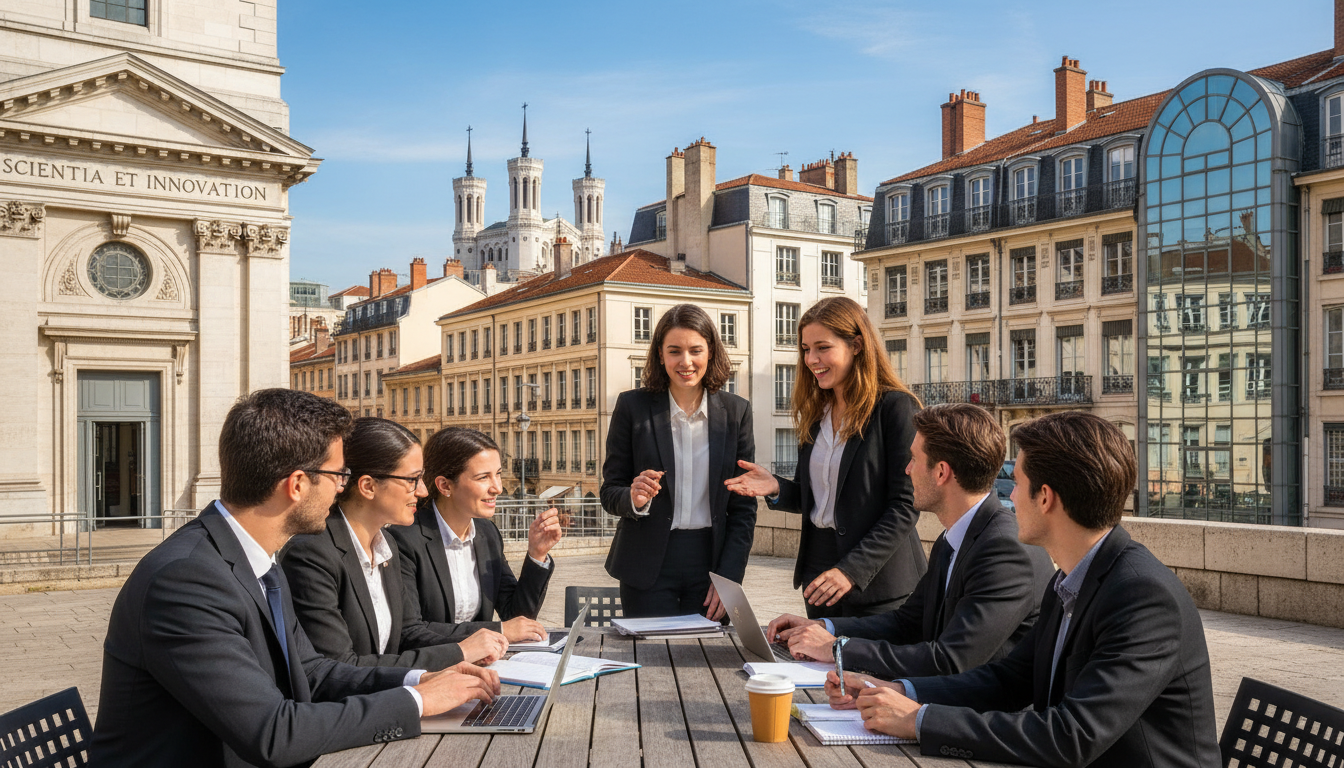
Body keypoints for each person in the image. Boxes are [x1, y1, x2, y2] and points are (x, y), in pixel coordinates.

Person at [91, 389, 500, 768]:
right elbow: (272, 733)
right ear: (298, 484)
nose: (343, 488)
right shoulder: (186, 581)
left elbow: (315, 672)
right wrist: (415, 702)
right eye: (339, 476)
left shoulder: (253, 557)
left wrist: (421, 680)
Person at [827, 412, 1221, 768]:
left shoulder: (1142, 597)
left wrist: (918, 720)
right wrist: (898, 689)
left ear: (1046, 498)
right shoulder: (1071, 577)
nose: (1009, 497)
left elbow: (1071, 736)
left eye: (1017, 484)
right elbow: (1009, 679)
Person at [767, 403, 1054, 678]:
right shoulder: (954, 536)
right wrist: (822, 626)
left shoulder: (1003, 549)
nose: (907, 469)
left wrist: (836, 649)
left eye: (914, 459)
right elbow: (906, 622)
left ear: (941, 472)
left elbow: (950, 660)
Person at [726, 296, 925, 619]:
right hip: (818, 574)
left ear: (857, 345)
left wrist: (851, 570)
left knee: (870, 670)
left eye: (822, 347)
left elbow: (905, 505)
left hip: (880, 584)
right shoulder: (816, 414)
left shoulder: (895, 408)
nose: (811, 359)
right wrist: (776, 487)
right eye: (805, 349)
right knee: (820, 669)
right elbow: (820, 500)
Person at [282, 418, 510, 671]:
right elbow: (339, 666)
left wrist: (471, 651)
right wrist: (459, 653)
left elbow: (408, 632)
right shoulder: (312, 554)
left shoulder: (385, 543)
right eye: (413, 480)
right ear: (368, 486)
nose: (423, 491)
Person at [600, 303, 756, 618]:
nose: (686, 362)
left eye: (695, 350)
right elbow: (609, 491)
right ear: (660, 355)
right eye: (674, 351)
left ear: (710, 352)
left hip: (711, 564)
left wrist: (730, 576)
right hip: (646, 565)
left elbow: (743, 509)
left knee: (705, 660)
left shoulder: (736, 413)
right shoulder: (632, 407)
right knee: (649, 661)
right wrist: (633, 497)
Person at [390, 427, 561, 644]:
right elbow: (411, 631)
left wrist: (537, 554)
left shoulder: (487, 533)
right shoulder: (404, 539)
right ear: (445, 485)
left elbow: (516, 618)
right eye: (483, 478)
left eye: (498, 474)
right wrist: (498, 630)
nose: (497, 488)